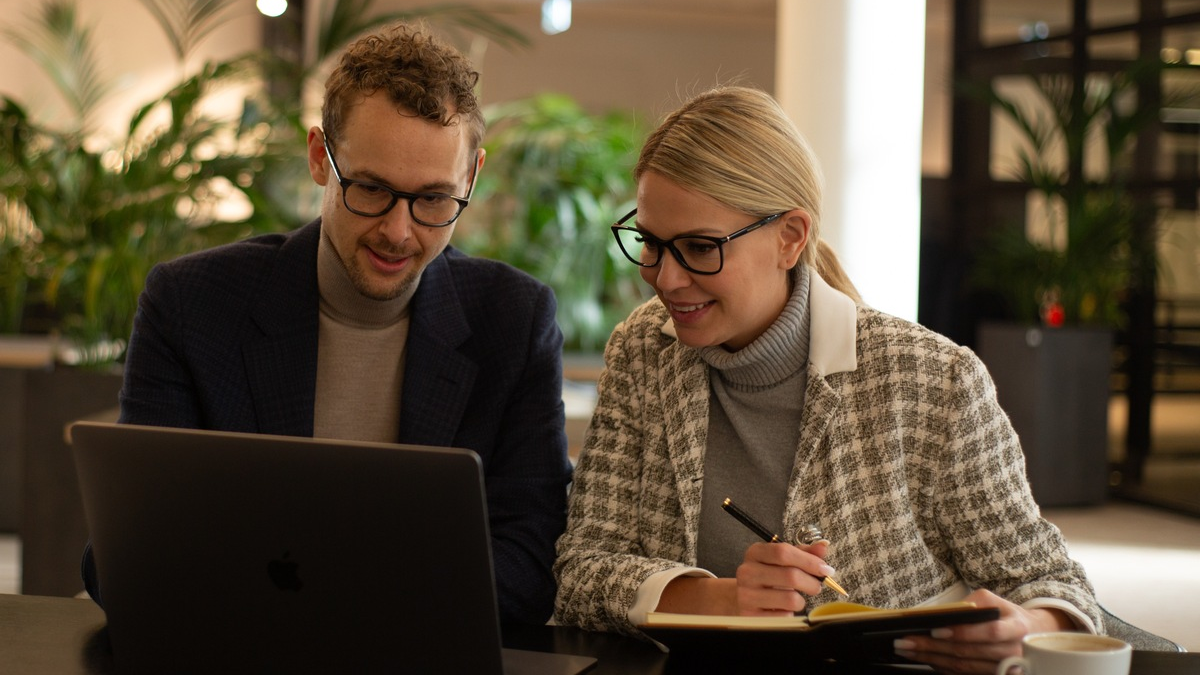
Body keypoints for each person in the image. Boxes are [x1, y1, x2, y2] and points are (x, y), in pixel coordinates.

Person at [552, 85, 1102, 673]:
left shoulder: (934, 380)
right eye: (652, 244)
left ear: (790, 237)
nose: (664, 278)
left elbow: (1052, 583)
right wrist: (719, 599)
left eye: (698, 248)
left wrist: (1024, 628)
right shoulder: (642, 351)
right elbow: (583, 569)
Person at [81, 22, 571, 625]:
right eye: (370, 188)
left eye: (434, 200)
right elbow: (124, 553)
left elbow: (533, 561)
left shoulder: (514, 321)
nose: (398, 230)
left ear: (470, 178)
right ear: (320, 157)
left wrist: (336, 601)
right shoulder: (192, 305)